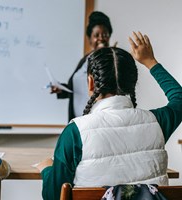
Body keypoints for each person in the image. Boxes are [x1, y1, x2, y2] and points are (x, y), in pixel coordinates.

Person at [37, 32, 182, 200]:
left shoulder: (75, 132)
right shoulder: (157, 123)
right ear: (132, 83)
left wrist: (47, 169)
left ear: (91, 82)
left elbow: (53, 196)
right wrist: (150, 62)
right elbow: (179, 99)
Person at [51, 11, 114, 121]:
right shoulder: (85, 60)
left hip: (96, 123)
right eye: (96, 35)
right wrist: (61, 89)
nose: (101, 38)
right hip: (77, 121)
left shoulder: (110, 61)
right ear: (89, 39)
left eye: (105, 34)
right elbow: (77, 89)